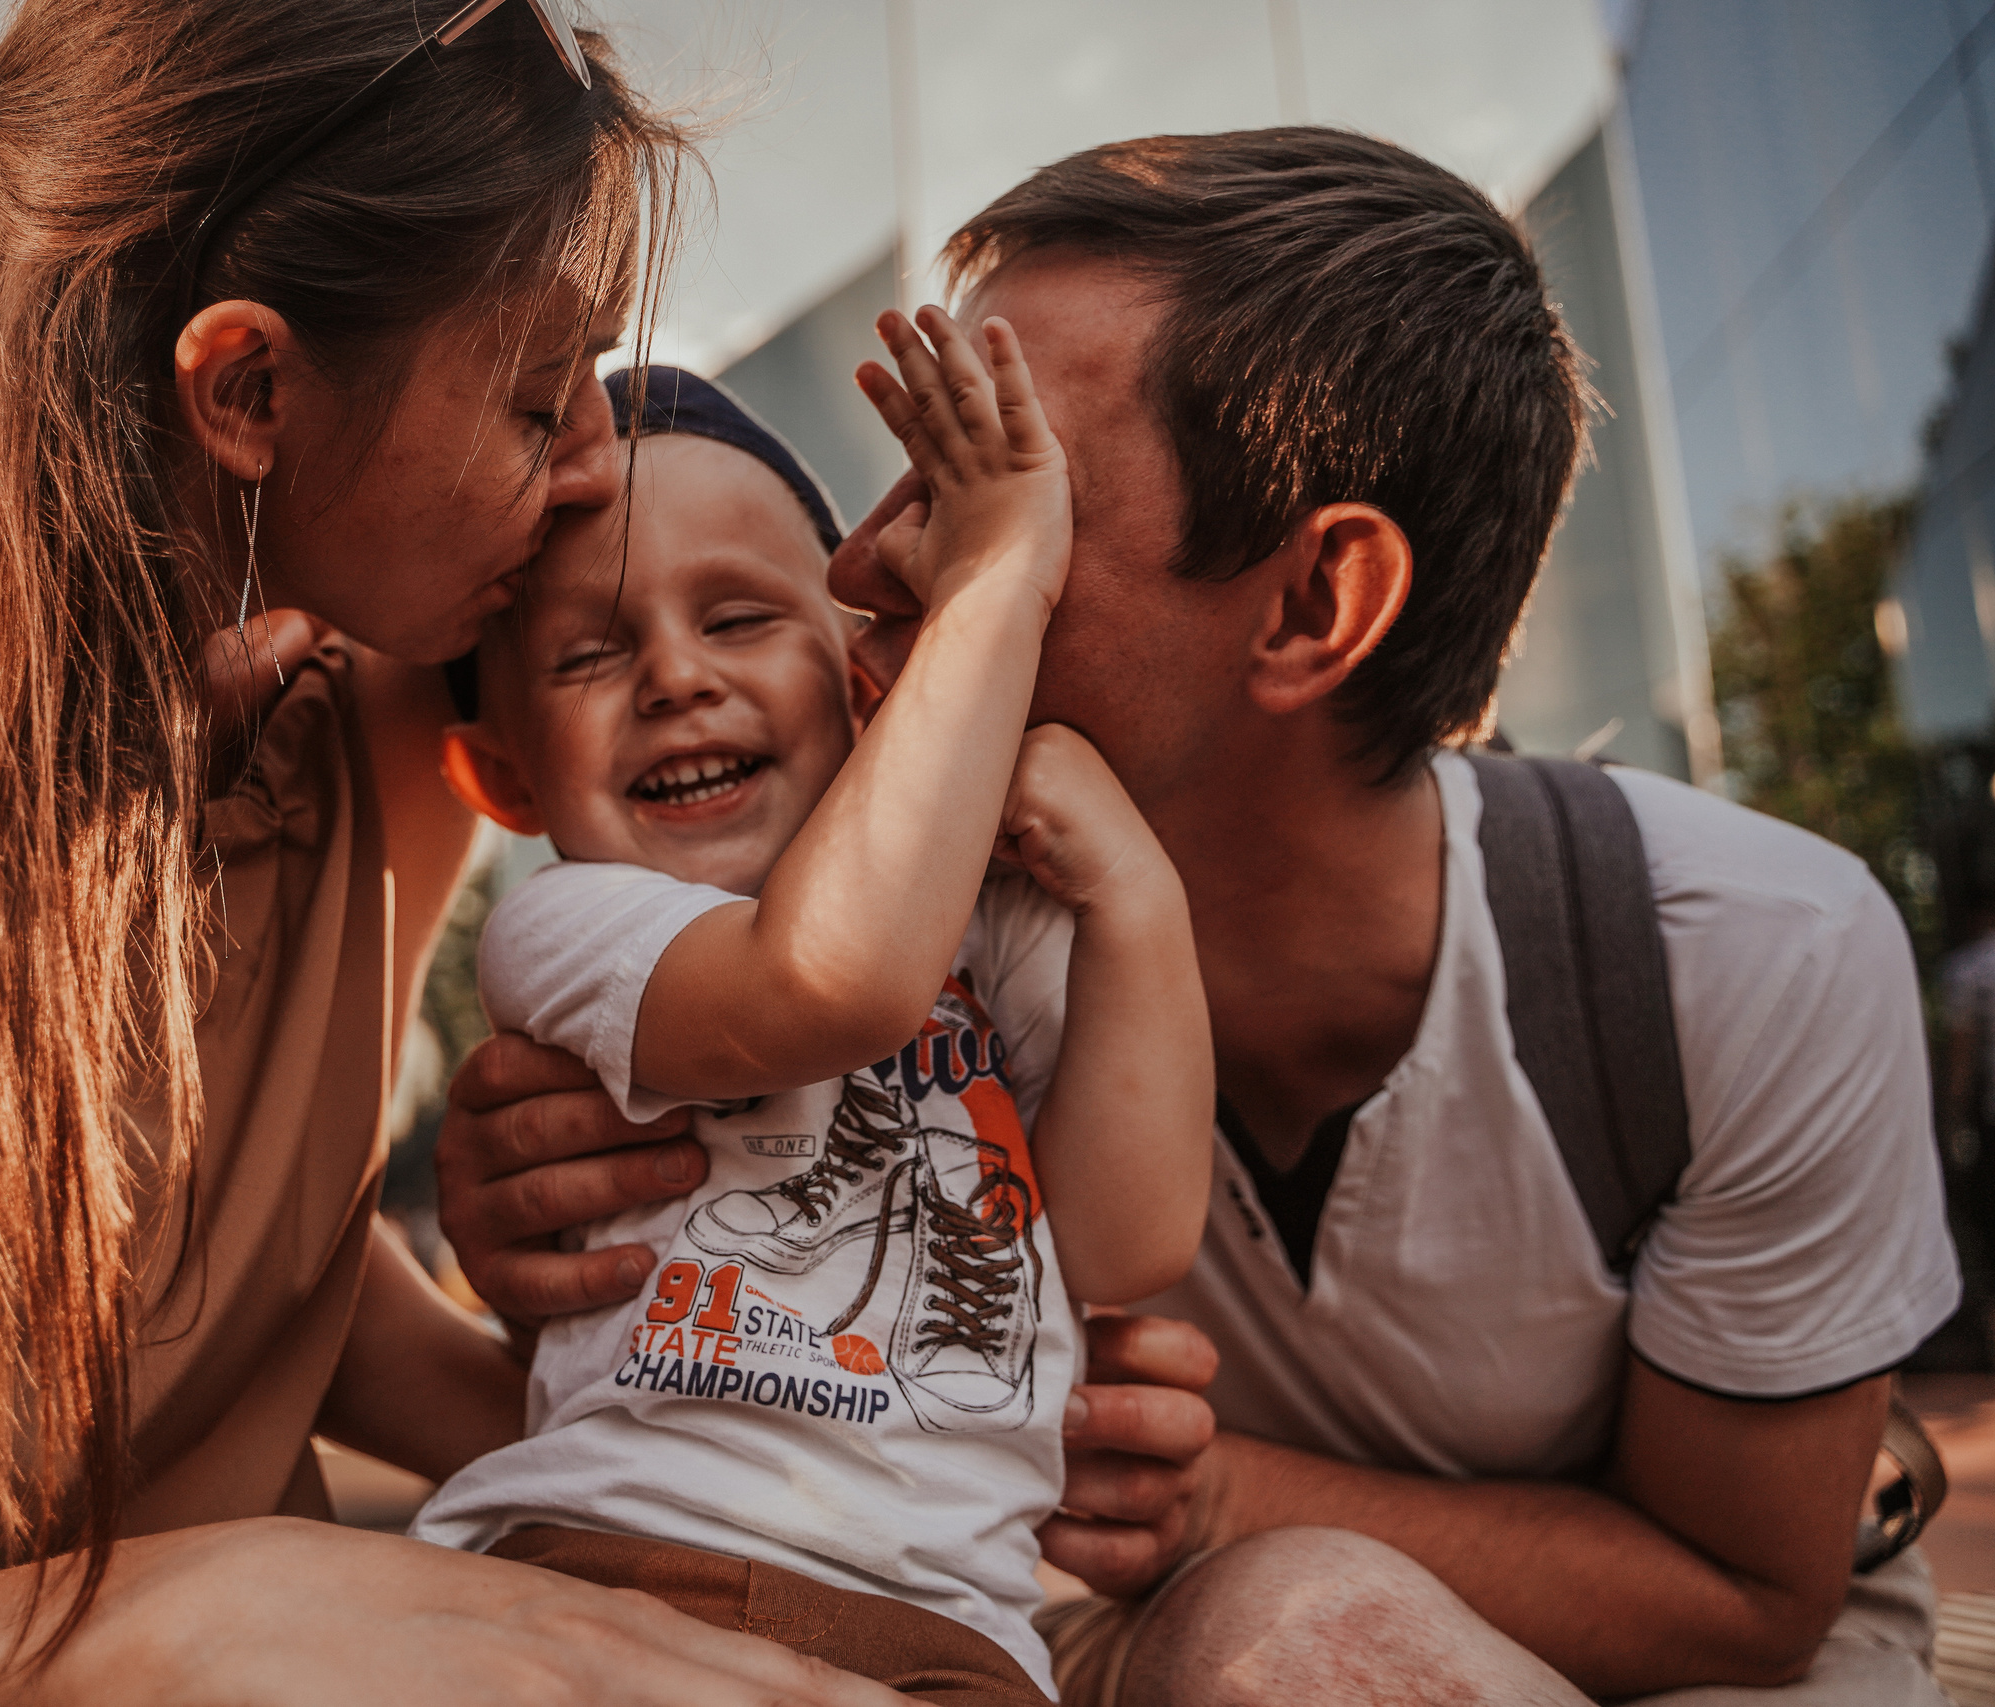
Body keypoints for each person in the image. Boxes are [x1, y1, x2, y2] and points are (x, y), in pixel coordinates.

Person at [0, 3, 915, 1702]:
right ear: (251, 389)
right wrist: (171, 1629)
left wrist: (815, 1452)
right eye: (532, 398)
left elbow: (222, 1266)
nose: (600, 465)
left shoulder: (377, 702)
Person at [435, 129, 1962, 1705]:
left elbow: (1753, 1599)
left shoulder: (1743, 959)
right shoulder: (921, 914)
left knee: (1308, 1632)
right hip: (1080, 1635)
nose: (870, 563)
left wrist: (1220, 1494)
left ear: (1312, 606)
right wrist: (549, 1186)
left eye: (1003, 495)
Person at [413, 350, 1212, 1701]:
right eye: (593, 652)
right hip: (611, 1565)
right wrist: (998, 579)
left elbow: (1128, 1238)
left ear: (862, 689)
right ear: (504, 776)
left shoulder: (993, 921)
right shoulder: (570, 928)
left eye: (736, 619)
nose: (675, 676)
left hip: (949, 1631)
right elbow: (823, 982)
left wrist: (1140, 899)